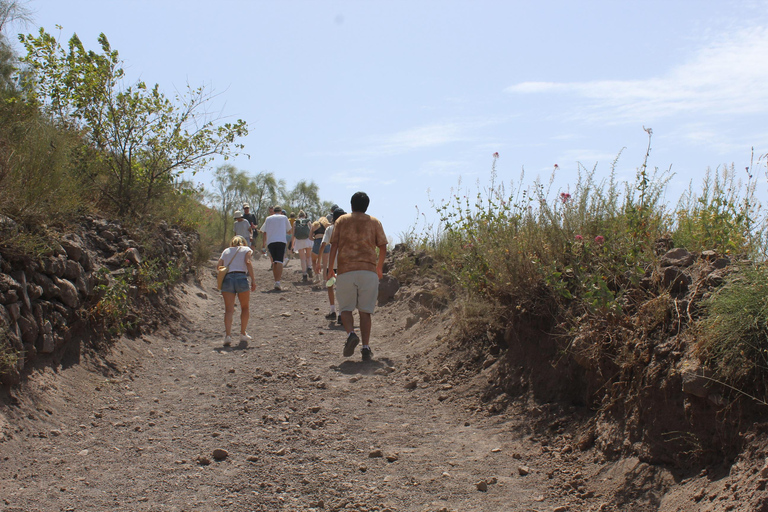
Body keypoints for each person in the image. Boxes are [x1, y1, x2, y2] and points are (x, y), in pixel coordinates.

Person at [329, 192, 386, 361]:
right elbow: (383, 247)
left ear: (351, 204)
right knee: (365, 312)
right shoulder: (374, 222)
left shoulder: (341, 221)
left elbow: (334, 246)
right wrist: (379, 268)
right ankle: (366, 348)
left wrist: (330, 269)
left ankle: (351, 334)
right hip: (368, 271)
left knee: (346, 309)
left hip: (346, 270)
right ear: (367, 205)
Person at [218, 235, 256, 347]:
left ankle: (228, 336)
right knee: (244, 307)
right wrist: (253, 279)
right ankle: (243, 333)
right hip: (241, 278)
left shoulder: (226, 251)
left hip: (228, 279)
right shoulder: (246, 249)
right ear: (243, 242)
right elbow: (248, 262)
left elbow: (219, 266)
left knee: (229, 309)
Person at [319, 208, 345, 321]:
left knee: (330, 285)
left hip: (332, 263)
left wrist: (318, 261)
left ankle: (332, 310)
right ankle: (341, 313)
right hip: (344, 263)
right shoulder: (347, 229)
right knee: (342, 288)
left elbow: (323, 244)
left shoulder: (330, 229)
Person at [260, 205, 292, 290]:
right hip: (280, 241)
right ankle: (278, 282)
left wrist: (264, 244)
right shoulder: (284, 218)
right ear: (281, 211)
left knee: (274, 262)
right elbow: (289, 231)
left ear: (274, 211)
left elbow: (263, 231)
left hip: (270, 242)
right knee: (279, 262)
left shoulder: (268, 218)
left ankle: (276, 281)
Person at [291, 210, 314, 282]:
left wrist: (292, 245)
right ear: (305, 215)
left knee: (302, 259)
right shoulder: (308, 221)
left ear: (298, 216)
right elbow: (312, 231)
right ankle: (309, 267)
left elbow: (293, 234)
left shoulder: (295, 222)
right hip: (308, 240)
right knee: (308, 256)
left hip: (299, 241)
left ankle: (304, 275)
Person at [310, 214, 331, 281]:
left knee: (313, 260)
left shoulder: (315, 224)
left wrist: (315, 239)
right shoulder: (328, 225)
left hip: (317, 242)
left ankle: (317, 276)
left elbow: (310, 237)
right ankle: (324, 281)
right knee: (325, 264)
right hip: (326, 243)